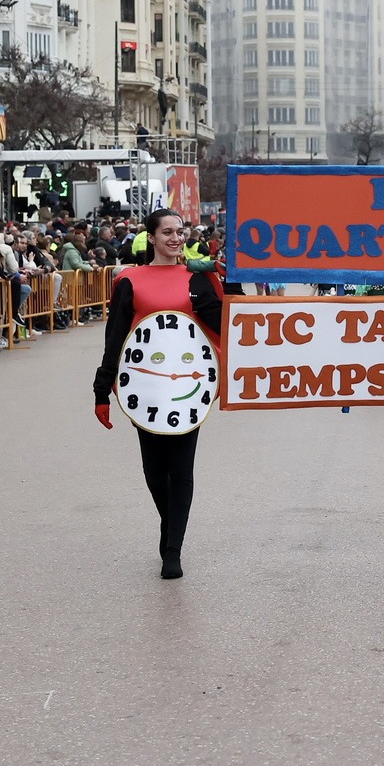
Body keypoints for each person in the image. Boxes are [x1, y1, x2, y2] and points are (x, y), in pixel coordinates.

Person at [92, 209, 225, 580]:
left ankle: (172, 550)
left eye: (180, 231)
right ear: (151, 237)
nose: (176, 238)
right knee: (154, 471)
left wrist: (229, 283)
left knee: (181, 470)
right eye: (167, 232)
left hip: (188, 388)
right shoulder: (129, 280)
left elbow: (223, 323)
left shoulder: (196, 277)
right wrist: (102, 390)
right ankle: (170, 524)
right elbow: (115, 336)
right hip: (144, 387)